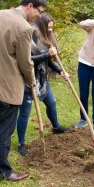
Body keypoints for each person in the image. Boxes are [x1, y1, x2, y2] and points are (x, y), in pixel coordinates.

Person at [0, 0, 47, 181]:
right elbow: (25, 62)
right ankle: (2, 171)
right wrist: (32, 80)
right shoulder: (24, 28)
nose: (39, 16)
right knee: (4, 128)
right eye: (39, 11)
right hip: (6, 85)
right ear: (30, 5)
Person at [17, 13, 69, 156]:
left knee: (51, 102)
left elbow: (48, 61)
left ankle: (56, 126)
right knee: (24, 113)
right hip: (28, 79)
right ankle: (21, 144)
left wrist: (60, 71)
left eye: (52, 27)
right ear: (41, 25)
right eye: (49, 27)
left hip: (42, 79)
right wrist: (47, 55)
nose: (51, 30)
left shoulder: (47, 37)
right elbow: (28, 59)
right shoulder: (31, 36)